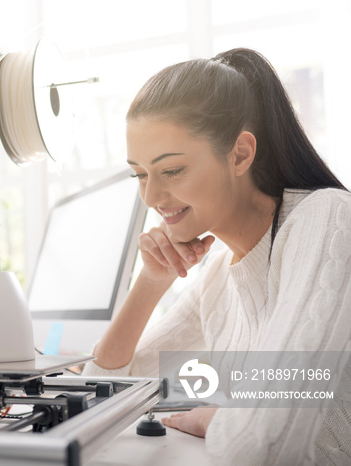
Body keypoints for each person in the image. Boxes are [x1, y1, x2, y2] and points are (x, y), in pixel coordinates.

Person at [83, 48, 351, 465]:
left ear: (241, 154)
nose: (151, 197)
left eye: (171, 170)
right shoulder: (220, 273)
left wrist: (216, 418)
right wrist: (151, 282)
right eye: (139, 174)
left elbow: (263, 443)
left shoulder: (325, 218)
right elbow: (103, 397)